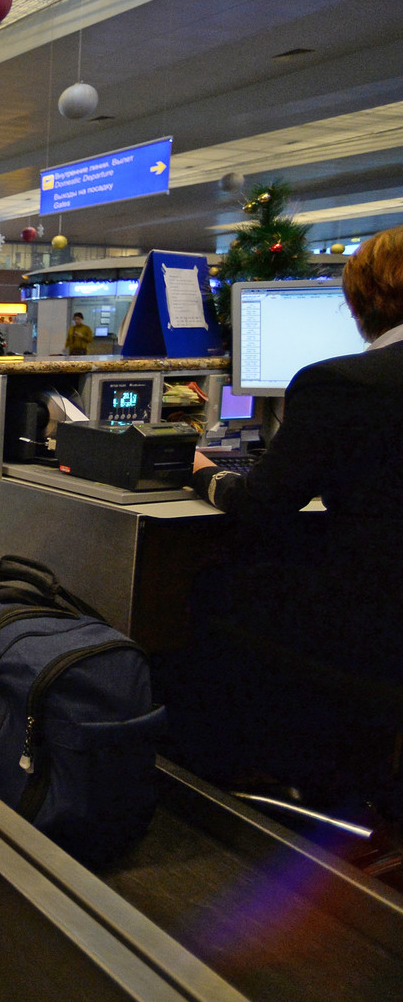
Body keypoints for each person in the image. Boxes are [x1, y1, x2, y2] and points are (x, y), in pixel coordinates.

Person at [164, 226, 403, 810]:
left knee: (214, 588)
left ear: (361, 300)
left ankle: (218, 769)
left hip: (373, 627)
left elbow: (255, 506)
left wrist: (199, 468)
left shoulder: (345, 383)